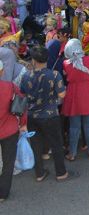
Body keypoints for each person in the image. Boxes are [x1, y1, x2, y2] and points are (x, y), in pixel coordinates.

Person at [19, 46, 78, 184]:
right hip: (50, 114)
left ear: (33, 60)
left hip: (32, 116)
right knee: (56, 144)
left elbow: (22, 94)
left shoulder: (26, 75)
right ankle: (61, 173)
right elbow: (62, 94)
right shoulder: (54, 74)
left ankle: (39, 173)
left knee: (36, 145)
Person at [62, 38, 89, 161]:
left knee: (74, 127)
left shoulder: (66, 63)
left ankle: (72, 153)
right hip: (88, 93)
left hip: (73, 95)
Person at [1, 58, 29, 201]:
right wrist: (23, 124)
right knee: (8, 162)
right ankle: (3, 193)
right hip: (9, 130)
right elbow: (21, 105)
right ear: (2, 71)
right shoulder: (10, 87)